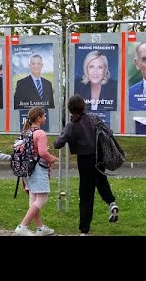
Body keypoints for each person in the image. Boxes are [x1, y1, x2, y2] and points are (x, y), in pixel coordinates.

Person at [54, 94, 119, 236]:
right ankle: (111, 203)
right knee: (101, 180)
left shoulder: (71, 126)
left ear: (70, 109)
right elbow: (108, 132)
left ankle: (84, 230)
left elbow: (57, 144)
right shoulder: (93, 118)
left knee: (85, 196)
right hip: (98, 157)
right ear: (84, 106)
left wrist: (62, 135)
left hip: (84, 161)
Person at [14, 106, 58, 236]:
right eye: (44, 116)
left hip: (27, 169)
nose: (45, 118)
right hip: (38, 169)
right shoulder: (40, 133)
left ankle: (40, 228)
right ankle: (23, 225)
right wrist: (53, 159)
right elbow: (43, 152)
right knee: (42, 199)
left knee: (33, 199)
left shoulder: (25, 132)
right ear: (39, 118)